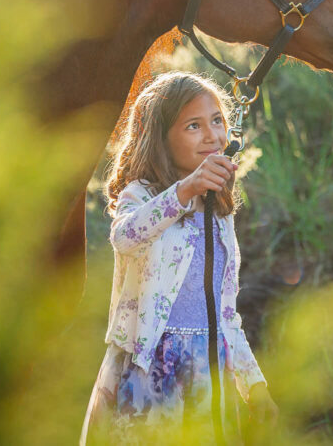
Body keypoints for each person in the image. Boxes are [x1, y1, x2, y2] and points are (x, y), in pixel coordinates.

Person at [81, 71, 278, 444]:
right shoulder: (141, 195)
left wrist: (254, 384)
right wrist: (184, 191)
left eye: (217, 121)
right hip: (151, 369)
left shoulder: (219, 213)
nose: (212, 136)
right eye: (193, 125)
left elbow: (226, 315)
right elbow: (125, 236)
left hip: (209, 374)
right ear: (161, 139)